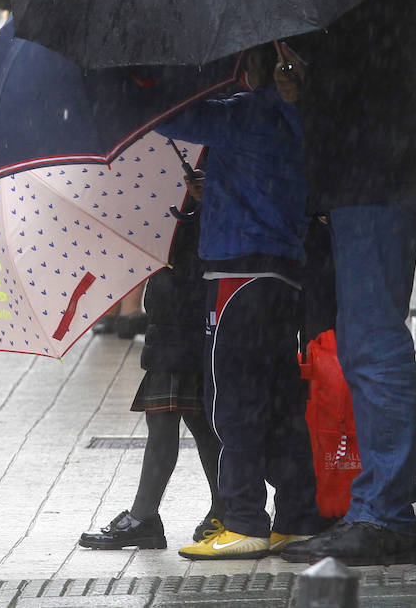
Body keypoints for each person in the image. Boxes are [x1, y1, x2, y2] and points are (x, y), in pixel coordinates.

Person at [275, 0, 416, 568]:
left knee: (372, 340)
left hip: (374, 172)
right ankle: (380, 508)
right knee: (370, 337)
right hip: (370, 171)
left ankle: (385, 515)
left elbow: (368, 71)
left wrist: (306, 58)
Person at [155, 45, 329, 560]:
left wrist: (144, 81)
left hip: (238, 276)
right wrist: (220, 192)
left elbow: (176, 115)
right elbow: (271, 187)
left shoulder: (246, 112)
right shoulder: (299, 118)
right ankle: (297, 516)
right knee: (277, 401)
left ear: (259, 64)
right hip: (281, 276)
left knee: (230, 402)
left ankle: (244, 518)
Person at [78, 169, 226, 551]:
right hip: (172, 315)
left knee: (180, 420)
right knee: (190, 419)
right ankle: (219, 506)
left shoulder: (207, 177)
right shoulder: (170, 177)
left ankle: (152, 515)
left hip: (186, 315)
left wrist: (195, 203)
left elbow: (195, 244)